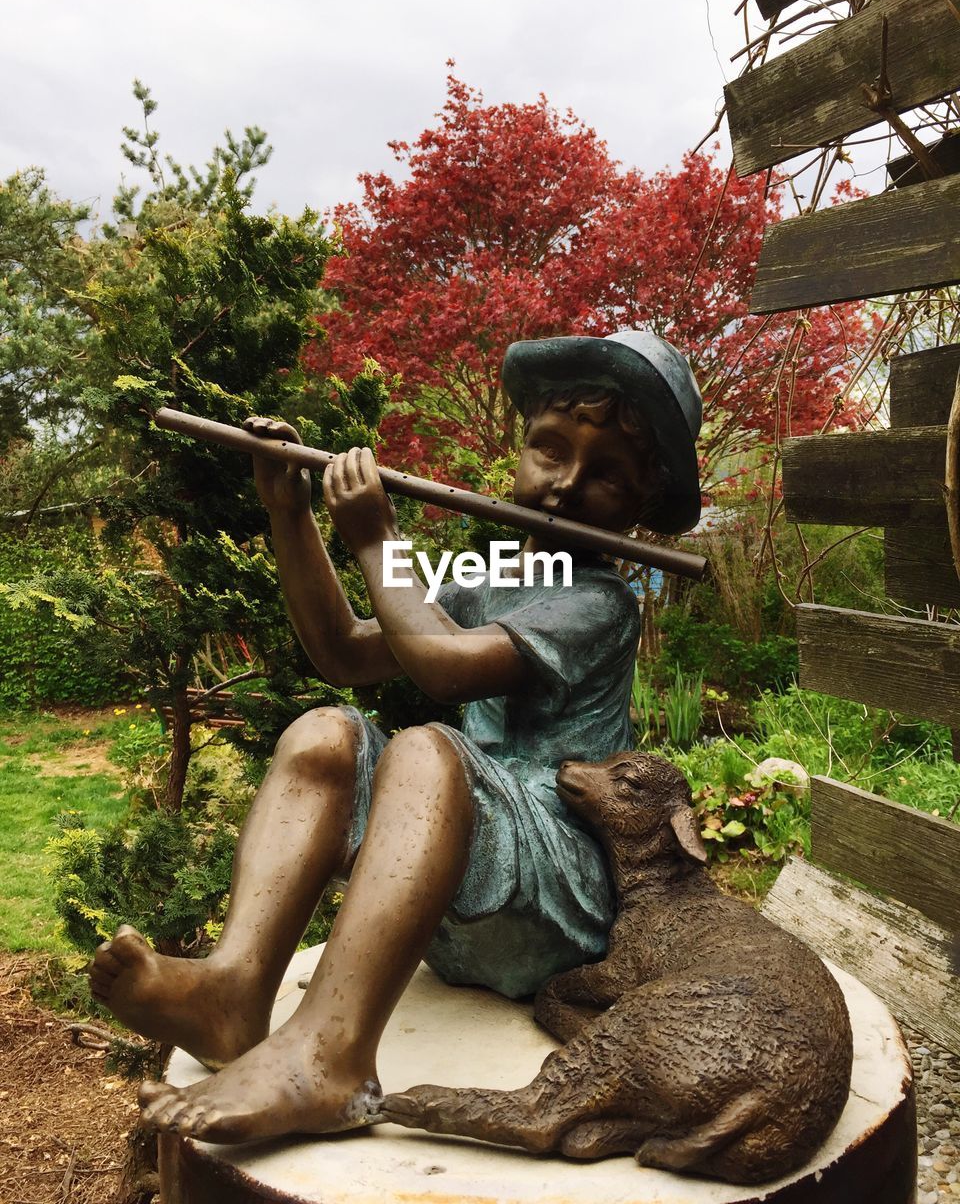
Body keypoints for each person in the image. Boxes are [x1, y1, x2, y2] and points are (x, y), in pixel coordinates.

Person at [88, 329, 702, 1145]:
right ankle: (233, 992)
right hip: (460, 872)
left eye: (607, 477)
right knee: (323, 734)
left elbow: (443, 668)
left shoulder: (599, 603)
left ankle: (329, 1059)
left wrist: (378, 541)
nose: (563, 487)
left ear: (639, 505)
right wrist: (292, 513)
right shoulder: (494, 576)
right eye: (550, 452)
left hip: (557, 891)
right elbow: (342, 651)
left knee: (425, 746)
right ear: (519, 450)